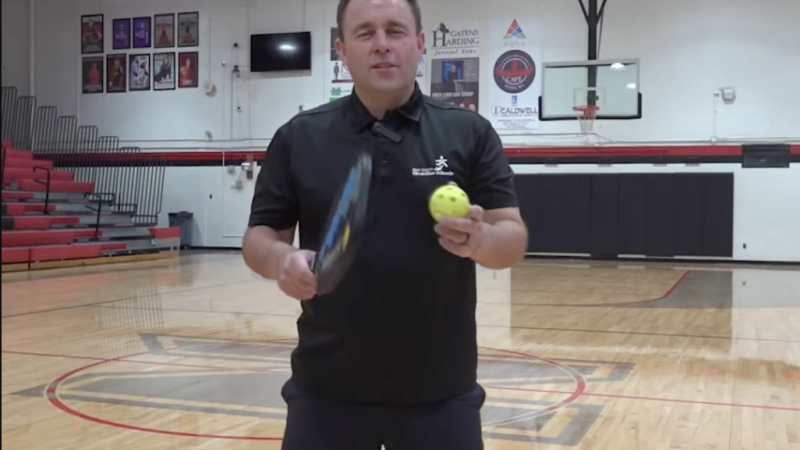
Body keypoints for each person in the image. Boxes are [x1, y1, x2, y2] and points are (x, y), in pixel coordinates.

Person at [242, 0, 528, 448]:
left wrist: (481, 239)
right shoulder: (299, 137)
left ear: (419, 44)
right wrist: (283, 259)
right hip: (326, 387)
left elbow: (512, 239)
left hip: (440, 390)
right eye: (365, 33)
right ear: (342, 50)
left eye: (395, 31)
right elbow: (259, 238)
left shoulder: (469, 132)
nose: (381, 46)